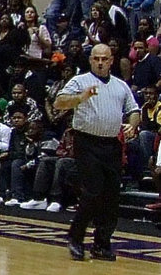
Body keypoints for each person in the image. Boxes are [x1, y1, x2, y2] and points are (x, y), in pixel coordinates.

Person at [52, 44, 140, 261]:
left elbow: (134, 110)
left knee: (111, 195)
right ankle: (76, 237)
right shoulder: (79, 81)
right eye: (96, 58)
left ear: (111, 61)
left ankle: (101, 243)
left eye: (105, 58)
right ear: (90, 60)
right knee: (92, 191)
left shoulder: (121, 86)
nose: (100, 62)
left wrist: (132, 125)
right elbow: (59, 102)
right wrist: (80, 98)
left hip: (112, 144)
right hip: (87, 142)